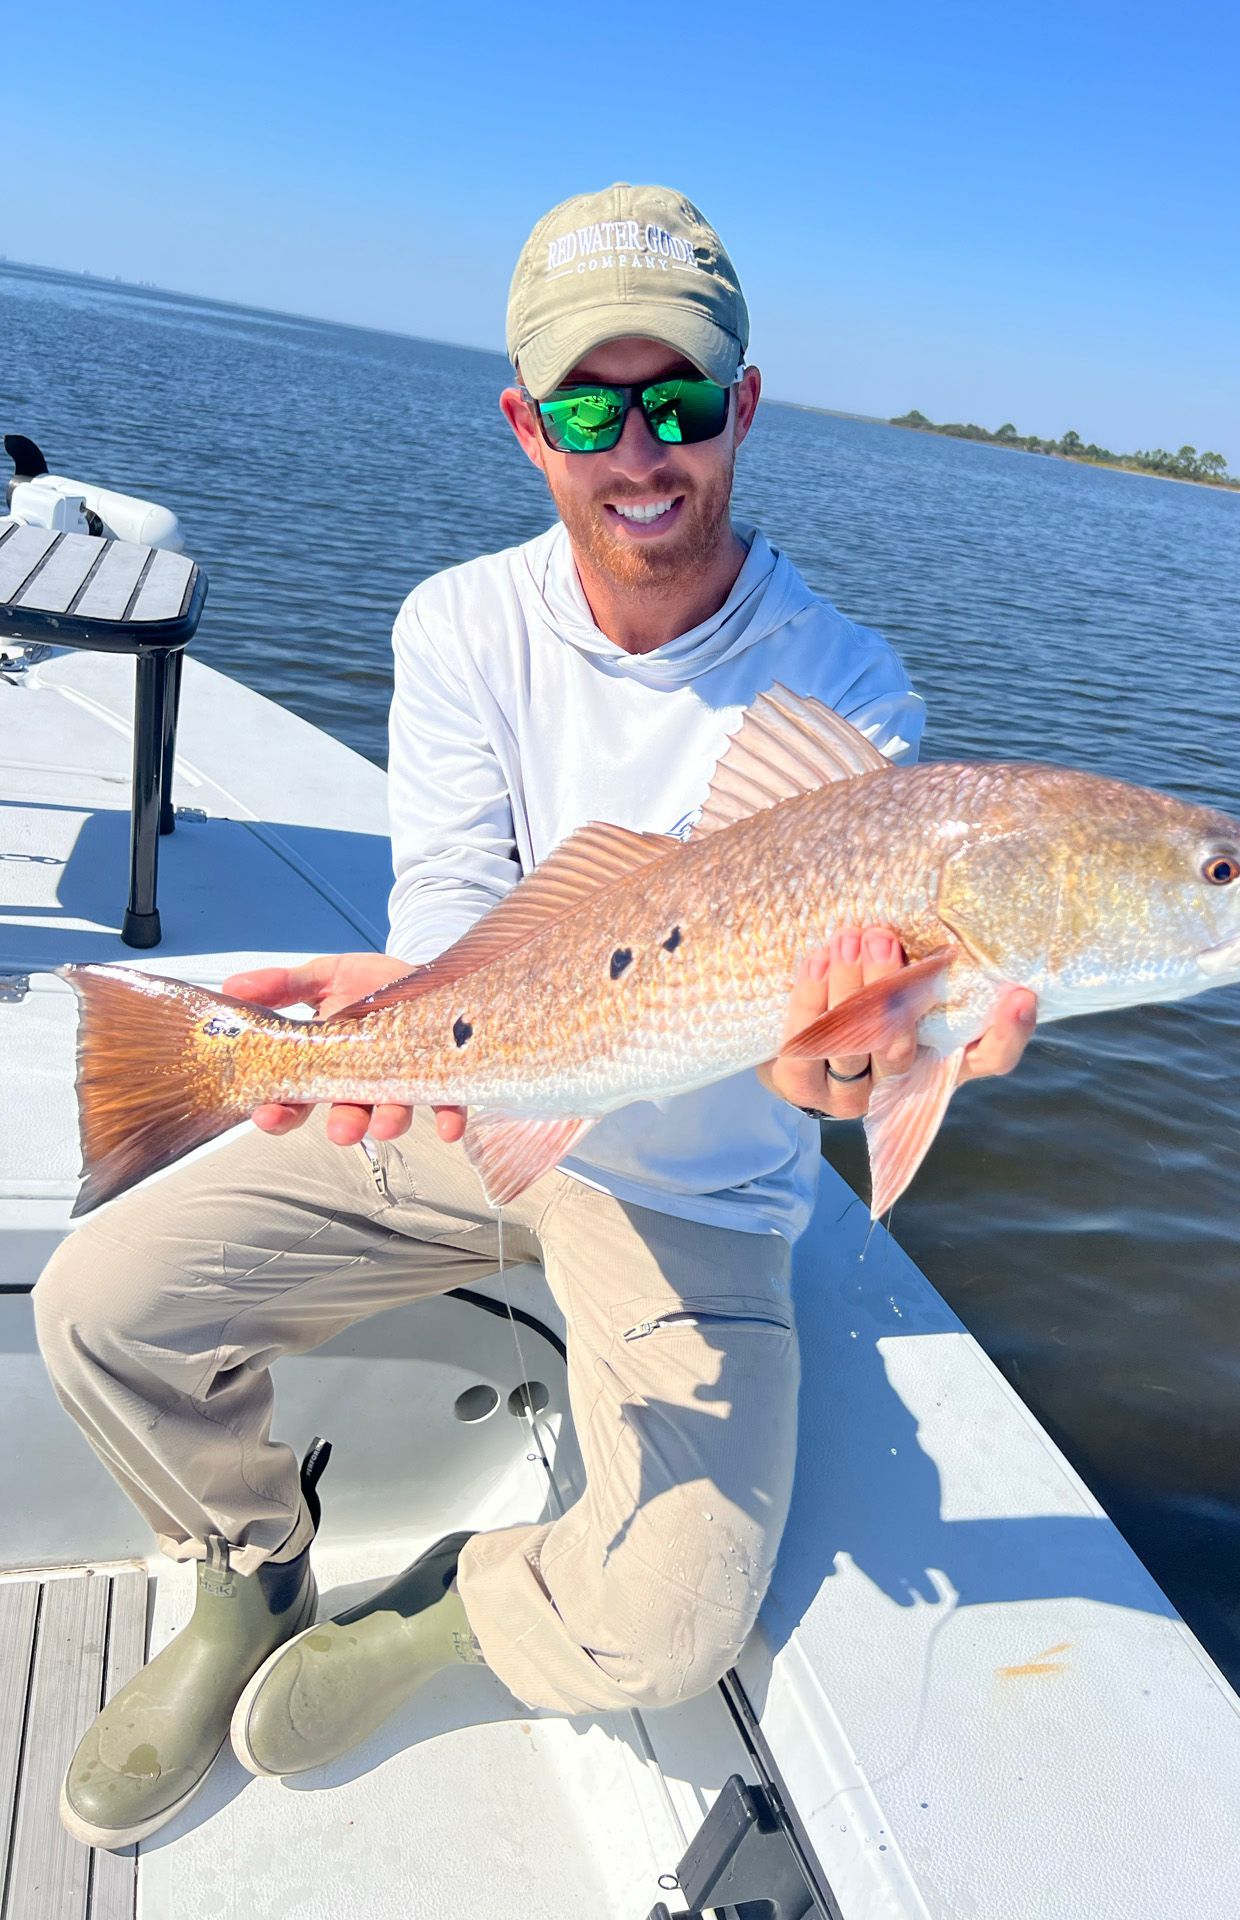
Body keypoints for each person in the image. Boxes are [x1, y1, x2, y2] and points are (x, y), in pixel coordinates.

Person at [34, 183, 1036, 1852]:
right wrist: (394, 1010)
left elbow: (824, 1060)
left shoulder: (847, 692)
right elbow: (450, 918)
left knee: (673, 1626)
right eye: (588, 404)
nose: (639, 450)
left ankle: (452, 1605)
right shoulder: (460, 624)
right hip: (473, 1096)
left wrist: (847, 1064)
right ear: (524, 424)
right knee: (97, 1303)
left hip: (690, 1192)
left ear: (745, 407)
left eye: (682, 400)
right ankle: (247, 1571)